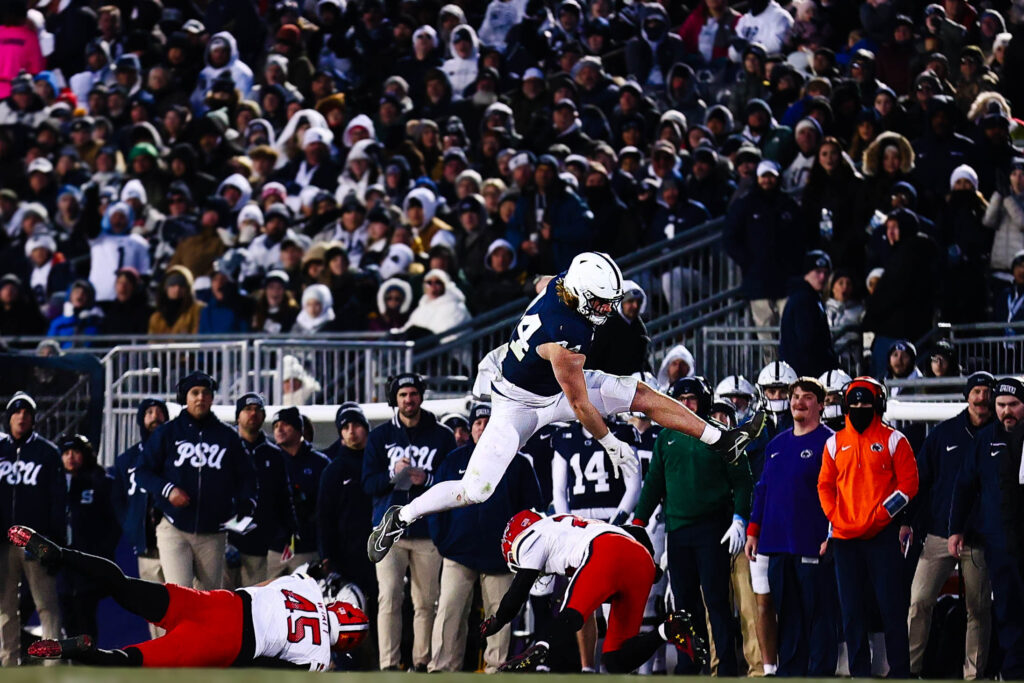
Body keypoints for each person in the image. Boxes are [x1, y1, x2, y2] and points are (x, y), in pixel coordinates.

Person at [367, 252, 766, 566]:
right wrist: (613, 445)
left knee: (641, 392)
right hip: (519, 405)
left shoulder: (564, 285)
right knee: (476, 490)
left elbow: (544, 283)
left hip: (549, 384)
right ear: (579, 294)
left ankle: (720, 438)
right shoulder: (565, 333)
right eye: (601, 302)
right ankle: (402, 517)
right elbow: (579, 403)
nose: (608, 309)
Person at [11, 526, 368, 670]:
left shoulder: (307, 587)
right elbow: (269, 669)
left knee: (121, 584)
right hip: (230, 642)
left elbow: (314, 569)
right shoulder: (318, 656)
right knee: (130, 660)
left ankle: (59, 553)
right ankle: (79, 649)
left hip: (220, 603)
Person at [481, 510, 707, 673]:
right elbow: (635, 532)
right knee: (616, 660)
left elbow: (518, 592)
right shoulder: (565, 525)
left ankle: (539, 650)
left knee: (572, 614)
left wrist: (497, 620)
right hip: (640, 560)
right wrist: (651, 567)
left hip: (605, 551)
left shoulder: (534, 536)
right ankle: (669, 630)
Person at [632, 376, 753, 676]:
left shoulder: (722, 435)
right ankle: (687, 664)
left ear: (704, 402)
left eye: (691, 399)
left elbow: (744, 483)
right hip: (678, 531)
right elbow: (653, 484)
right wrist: (638, 521)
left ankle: (725, 666)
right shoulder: (665, 438)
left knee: (716, 600)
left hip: (714, 530)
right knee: (683, 605)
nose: (685, 404)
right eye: (680, 398)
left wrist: (739, 519)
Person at [428, 403, 543, 672]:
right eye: (478, 422)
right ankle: (442, 669)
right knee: (449, 612)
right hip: (458, 553)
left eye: (488, 422)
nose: (482, 427)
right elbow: (435, 503)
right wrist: (442, 541)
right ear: (470, 429)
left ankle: (496, 669)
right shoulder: (454, 460)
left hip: (501, 557)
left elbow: (531, 511)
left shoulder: (519, 463)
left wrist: (518, 552)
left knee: (499, 616)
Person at [818, 377, 919, 678]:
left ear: (878, 404)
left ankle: (900, 670)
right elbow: (824, 485)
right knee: (851, 610)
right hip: (845, 538)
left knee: (891, 606)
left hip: (882, 537)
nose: (860, 407)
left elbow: (909, 486)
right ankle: (859, 671)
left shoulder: (895, 440)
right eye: (855, 402)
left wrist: (881, 517)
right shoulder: (834, 442)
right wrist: (835, 516)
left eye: (866, 402)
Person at [362, 373, 456, 671]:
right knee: (388, 598)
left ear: (421, 396)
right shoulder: (379, 437)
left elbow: (452, 482)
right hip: (389, 530)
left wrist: (425, 478)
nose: (408, 400)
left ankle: (422, 662)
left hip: (428, 529)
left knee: (426, 602)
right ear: (395, 399)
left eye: (413, 394)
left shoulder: (441, 436)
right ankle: (388, 664)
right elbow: (367, 484)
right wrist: (393, 476)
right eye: (402, 395)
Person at [745, 378, 836, 676]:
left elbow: (840, 492)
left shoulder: (831, 443)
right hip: (776, 543)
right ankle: (791, 674)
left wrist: (831, 533)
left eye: (807, 397)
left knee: (819, 614)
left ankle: (820, 673)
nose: (798, 402)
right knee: (787, 614)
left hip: (813, 542)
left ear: (820, 404)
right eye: (795, 396)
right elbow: (763, 490)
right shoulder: (776, 445)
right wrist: (753, 531)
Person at [135, 372, 258, 591]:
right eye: (195, 393)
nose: (200, 398)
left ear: (212, 398)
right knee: (179, 594)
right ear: (185, 397)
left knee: (210, 597)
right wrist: (168, 490)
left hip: (213, 531)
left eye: (205, 393)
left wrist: (244, 505)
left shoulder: (227, 436)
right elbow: (142, 471)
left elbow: (247, 477)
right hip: (174, 526)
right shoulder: (167, 432)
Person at [906, 372, 994, 679]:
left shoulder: (1002, 434)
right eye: (976, 391)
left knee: (978, 608)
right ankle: (909, 670)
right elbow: (919, 482)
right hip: (939, 533)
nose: (981, 398)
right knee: (919, 601)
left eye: (986, 392)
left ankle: (973, 674)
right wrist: (907, 522)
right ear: (967, 395)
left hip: (979, 537)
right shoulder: (944, 434)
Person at [551, 414, 642, 671]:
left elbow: (634, 485)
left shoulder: (623, 432)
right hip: (580, 526)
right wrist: (569, 525)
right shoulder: (565, 437)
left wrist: (616, 521)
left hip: (612, 522)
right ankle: (587, 667)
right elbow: (559, 491)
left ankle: (618, 663)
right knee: (584, 599)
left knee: (615, 599)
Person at [950, 378, 1024, 679]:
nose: (1007, 411)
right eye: (1002, 405)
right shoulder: (984, 441)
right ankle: (1014, 670)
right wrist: (955, 528)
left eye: (1014, 405)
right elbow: (964, 485)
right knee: (1007, 606)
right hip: (1000, 539)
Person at [0, 392, 64, 666]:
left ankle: (53, 664)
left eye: (27, 412)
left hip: (36, 540)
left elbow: (58, 502)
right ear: (8, 417)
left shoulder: (48, 452)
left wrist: (53, 542)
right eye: (17, 412)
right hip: (2, 541)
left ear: (34, 419)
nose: (22, 416)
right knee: (4, 608)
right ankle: (8, 662)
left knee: (46, 604)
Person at [110, 397, 169, 639]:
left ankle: (186, 652)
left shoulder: (177, 453)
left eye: (159, 412)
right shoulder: (127, 459)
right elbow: (118, 500)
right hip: (147, 544)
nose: (154, 417)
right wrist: (132, 527)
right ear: (140, 420)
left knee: (184, 598)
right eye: (149, 412)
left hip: (178, 537)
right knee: (153, 603)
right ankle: (161, 654)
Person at [229, 393, 296, 588]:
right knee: (219, 600)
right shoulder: (224, 447)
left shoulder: (273, 454)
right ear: (238, 415)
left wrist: (289, 531)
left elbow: (284, 495)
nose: (253, 414)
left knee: (253, 603)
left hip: (257, 543)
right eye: (248, 409)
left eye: (258, 410)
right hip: (222, 540)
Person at [57, 435, 118, 642]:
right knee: (67, 615)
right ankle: (74, 662)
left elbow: (113, 522)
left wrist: (103, 551)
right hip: (61, 562)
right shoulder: (55, 484)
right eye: (65, 453)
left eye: (75, 452)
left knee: (86, 615)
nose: (70, 457)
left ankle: (89, 663)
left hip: (87, 561)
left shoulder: (99, 481)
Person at [270, 407, 329, 578]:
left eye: (285, 424)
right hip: (272, 549)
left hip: (307, 548)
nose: (279, 429)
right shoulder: (267, 460)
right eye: (275, 426)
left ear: (299, 429)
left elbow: (327, 509)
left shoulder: (320, 463)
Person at [779, 250, 838, 378]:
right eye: (817, 272)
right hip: (805, 375)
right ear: (807, 273)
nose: (822, 277)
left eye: (826, 273)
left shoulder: (808, 297)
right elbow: (808, 342)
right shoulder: (804, 300)